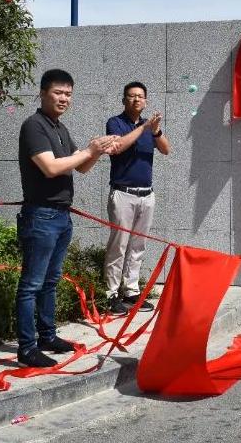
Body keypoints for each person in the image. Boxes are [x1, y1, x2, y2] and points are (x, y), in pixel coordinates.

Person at [16, 69, 117, 368]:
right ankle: (26, 348)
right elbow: (50, 168)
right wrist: (89, 150)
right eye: (58, 93)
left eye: (69, 94)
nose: (64, 99)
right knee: (31, 284)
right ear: (42, 93)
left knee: (51, 281)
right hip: (41, 215)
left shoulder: (60, 128)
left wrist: (97, 152)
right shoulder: (34, 126)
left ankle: (47, 336)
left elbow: (80, 166)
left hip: (61, 216)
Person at [104, 82, 170, 316]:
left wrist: (156, 130)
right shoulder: (115, 122)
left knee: (138, 246)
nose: (136, 100)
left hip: (146, 194)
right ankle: (111, 294)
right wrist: (143, 128)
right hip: (123, 193)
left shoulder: (149, 127)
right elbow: (118, 146)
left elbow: (166, 149)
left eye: (140, 96)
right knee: (118, 246)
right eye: (131, 96)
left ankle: (131, 291)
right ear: (124, 100)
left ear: (146, 101)